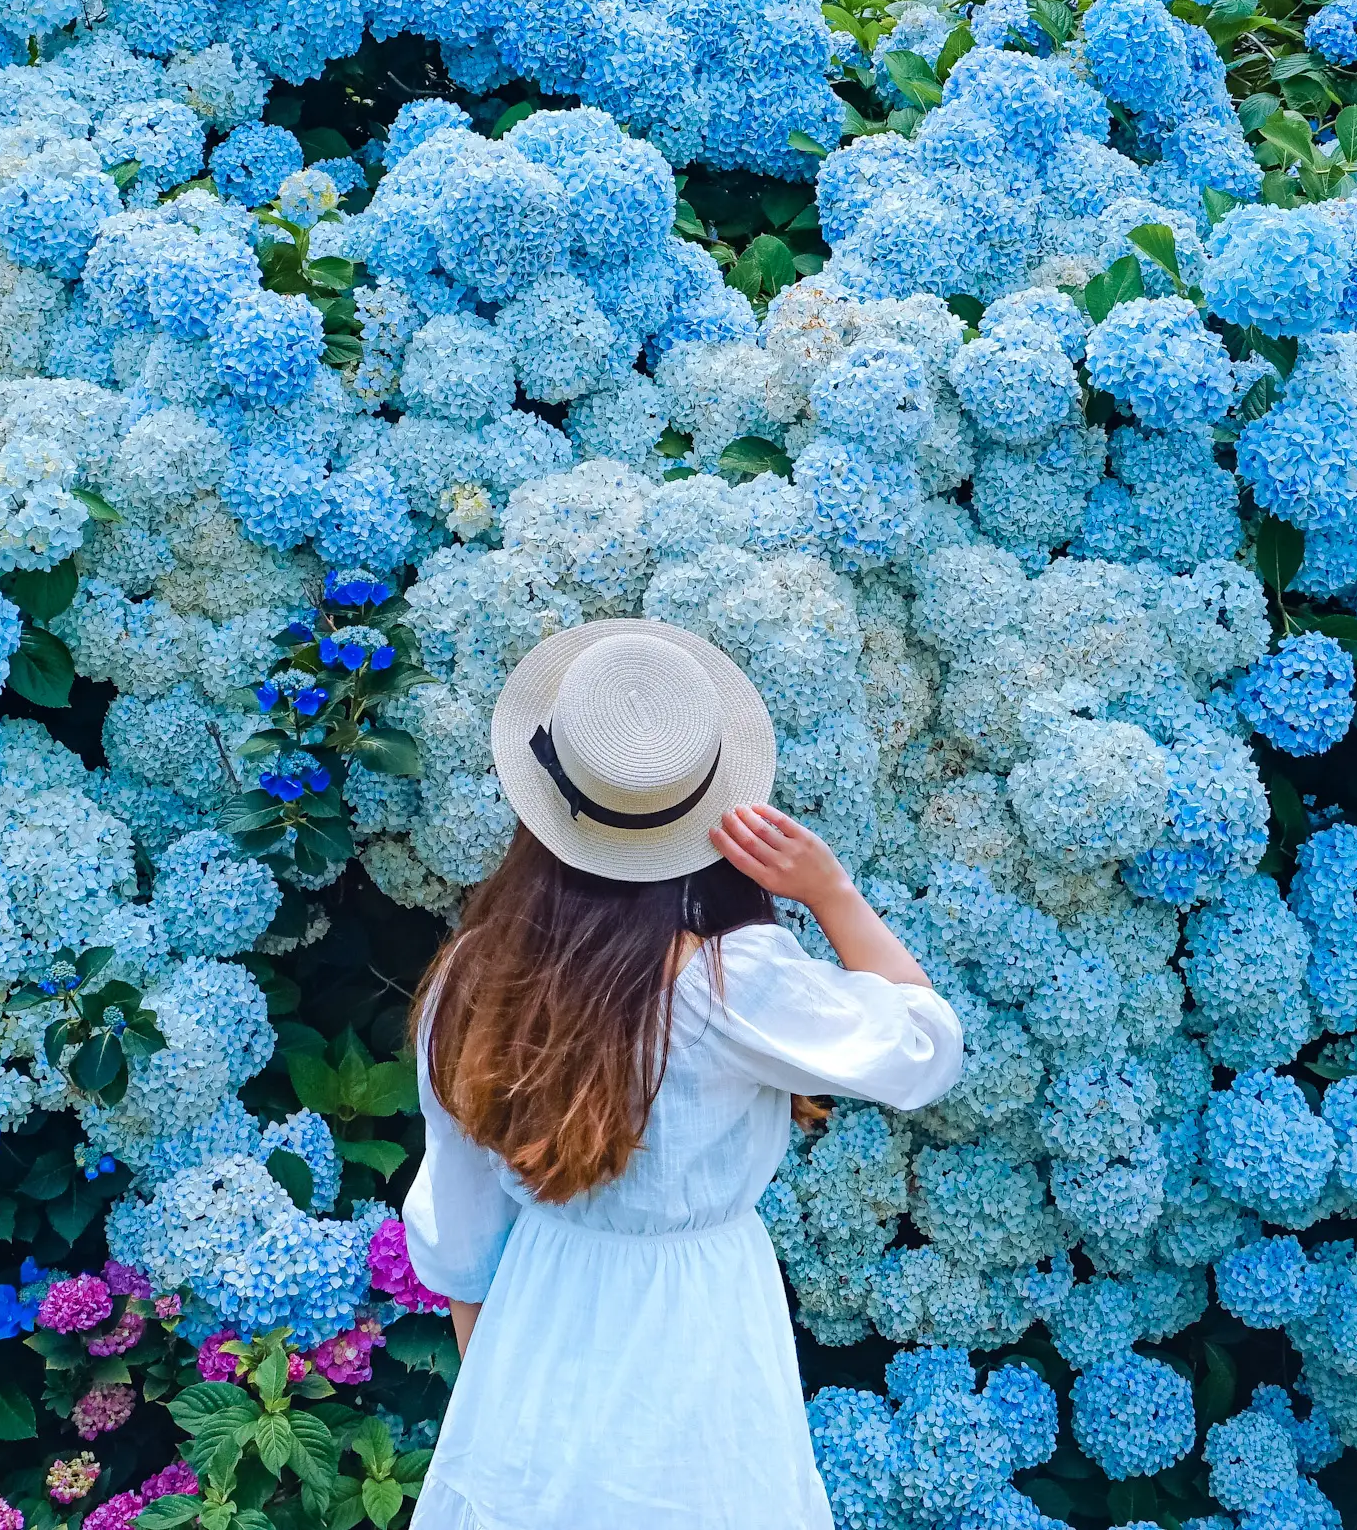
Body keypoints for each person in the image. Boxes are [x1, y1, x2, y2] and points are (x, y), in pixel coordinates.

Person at [403, 618, 964, 1529]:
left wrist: (498, 1409)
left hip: (540, 1323)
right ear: (714, 814)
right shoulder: (733, 982)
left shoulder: (476, 977)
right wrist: (832, 893)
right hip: (703, 1333)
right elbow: (926, 1049)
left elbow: (461, 1238)